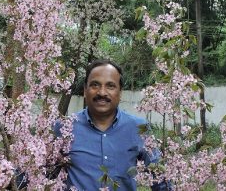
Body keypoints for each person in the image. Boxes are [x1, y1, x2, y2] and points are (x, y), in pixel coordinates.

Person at [63, 59, 170, 191]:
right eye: (95, 85)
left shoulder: (139, 128)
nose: (102, 92)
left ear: (120, 92)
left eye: (110, 86)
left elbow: (161, 180)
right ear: (85, 90)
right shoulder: (64, 128)